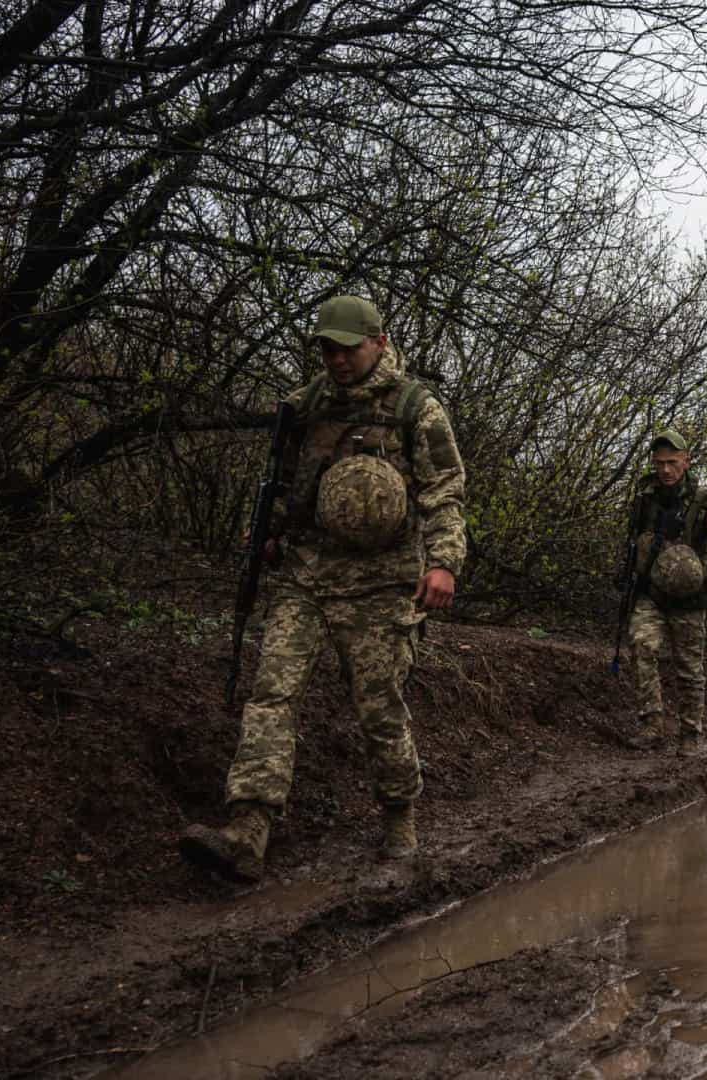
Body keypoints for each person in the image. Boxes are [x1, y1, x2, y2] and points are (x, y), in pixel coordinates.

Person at [180, 295, 466, 882]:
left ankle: (398, 815)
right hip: (307, 575)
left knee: (378, 705)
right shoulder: (303, 407)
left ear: (379, 343)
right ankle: (248, 828)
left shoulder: (417, 408)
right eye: (327, 349)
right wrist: (268, 530)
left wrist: (443, 564)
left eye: (348, 348)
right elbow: (284, 484)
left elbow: (445, 492)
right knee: (271, 694)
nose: (336, 360)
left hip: (384, 583)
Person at [619, 430, 707, 754]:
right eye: (659, 462)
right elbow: (633, 539)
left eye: (671, 463)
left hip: (689, 599)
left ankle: (690, 734)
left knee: (689, 668)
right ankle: (652, 724)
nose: (665, 470)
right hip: (650, 593)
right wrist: (624, 573)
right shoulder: (644, 496)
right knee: (640, 646)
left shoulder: (704, 502)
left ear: (686, 462)